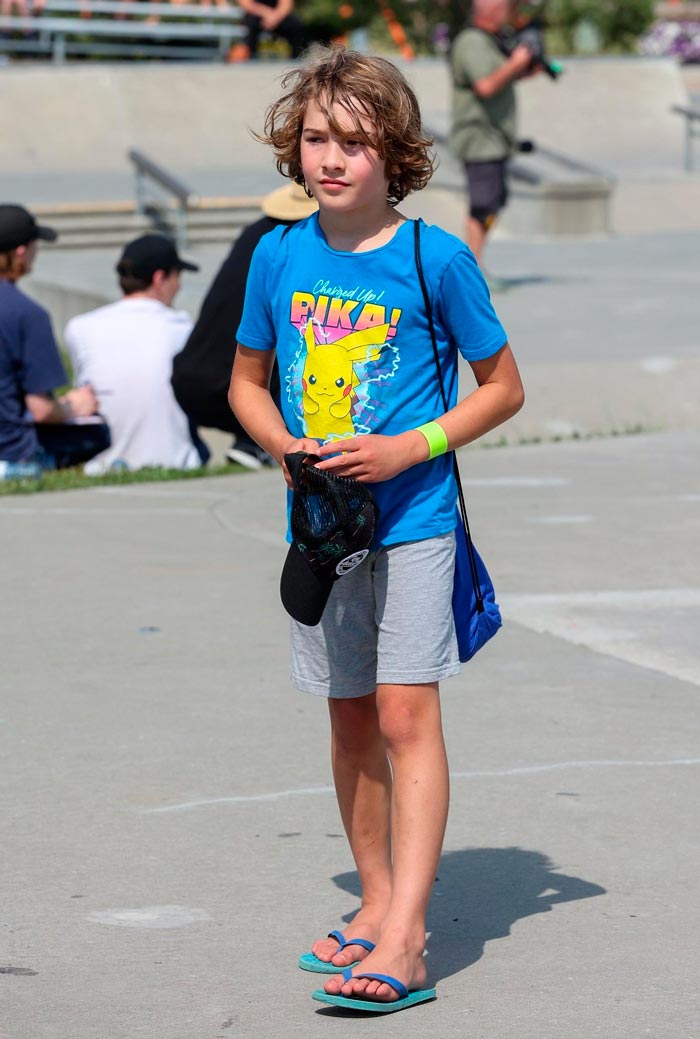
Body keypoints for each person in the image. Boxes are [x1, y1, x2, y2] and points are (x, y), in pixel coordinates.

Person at [229, 46, 524, 1012]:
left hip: (416, 517)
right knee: (349, 711)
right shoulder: (277, 253)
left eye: (354, 142)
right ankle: (376, 898)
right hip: (324, 529)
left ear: (394, 151)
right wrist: (284, 447)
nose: (332, 158)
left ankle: (406, 937)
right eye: (317, 138)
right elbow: (245, 383)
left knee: (405, 712)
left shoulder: (434, 257)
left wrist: (410, 447)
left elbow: (503, 389)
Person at [171, 181, 317, 470]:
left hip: (190, 379)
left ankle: (245, 442)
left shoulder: (255, 235)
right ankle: (253, 443)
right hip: (239, 389)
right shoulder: (299, 245)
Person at [64, 234, 205, 475]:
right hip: (175, 462)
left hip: (99, 466)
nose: (179, 286)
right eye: (177, 277)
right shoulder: (182, 328)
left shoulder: (79, 327)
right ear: (159, 278)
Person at [0, 204, 105, 479]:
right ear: (21, 251)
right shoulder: (26, 313)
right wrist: (72, 406)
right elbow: (42, 411)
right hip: (12, 454)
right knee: (100, 434)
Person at [449, 0, 544, 265]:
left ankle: (475, 266)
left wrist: (526, 71)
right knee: (482, 208)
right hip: (479, 138)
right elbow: (485, 86)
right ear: (490, 9)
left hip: (495, 140)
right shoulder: (471, 42)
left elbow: (497, 78)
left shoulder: (491, 41)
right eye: (505, 6)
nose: (509, 12)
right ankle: (472, 269)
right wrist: (516, 64)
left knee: (492, 205)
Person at [236, 0, 307, 60]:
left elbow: (286, 3)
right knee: (251, 24)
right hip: (256, 14)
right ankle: (249, 55)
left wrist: (275, 17)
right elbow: (247, 4)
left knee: (295, 25)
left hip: (278, 16)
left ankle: (297, 57)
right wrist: (267, 14)